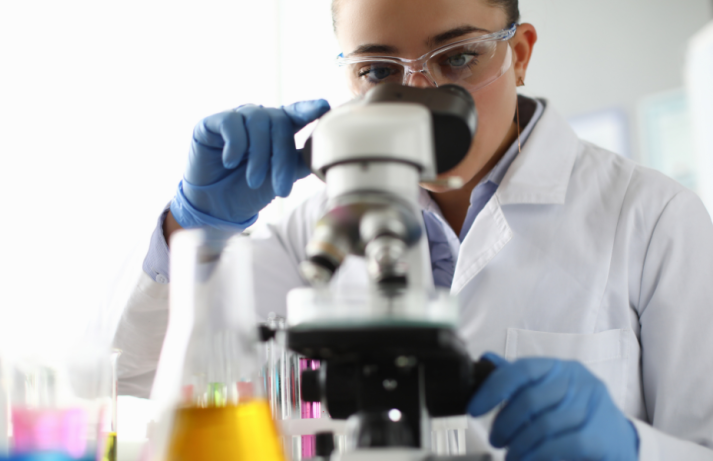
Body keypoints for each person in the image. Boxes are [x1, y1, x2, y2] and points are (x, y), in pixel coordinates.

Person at [113, 0, 713, 459]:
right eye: (379, 70)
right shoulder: (314, 224)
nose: (419, 95)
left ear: (520, 53)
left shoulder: (653, 219)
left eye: (458, 57)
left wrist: (635, 449)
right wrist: (196, 228)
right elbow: (132, 376)